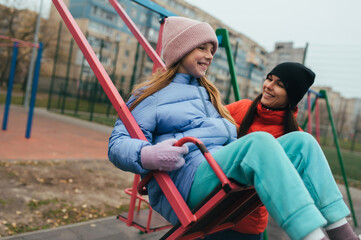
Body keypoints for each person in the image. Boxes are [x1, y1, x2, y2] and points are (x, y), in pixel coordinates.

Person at [108, 16, 356, 240]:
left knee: (304, 143)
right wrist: (147, 154)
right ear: (180, 50)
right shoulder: (152, 94)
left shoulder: (208, 94)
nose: (209, 55)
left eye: (211, 50)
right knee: (259, 141)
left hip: (213, 172)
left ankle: (343, 234)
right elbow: (117, 143)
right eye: (201, 48)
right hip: (185, 182)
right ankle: (312, 237)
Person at [226, 62, 359, 239]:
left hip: (246, 221)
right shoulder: (241, 108)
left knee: (301, 144)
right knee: (261, 142)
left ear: (292, 96)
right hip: (216, 198)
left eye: (279, 85)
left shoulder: (294, 138)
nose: (268, 86)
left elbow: (292, 190)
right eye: (269, 79)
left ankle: (338, 233)